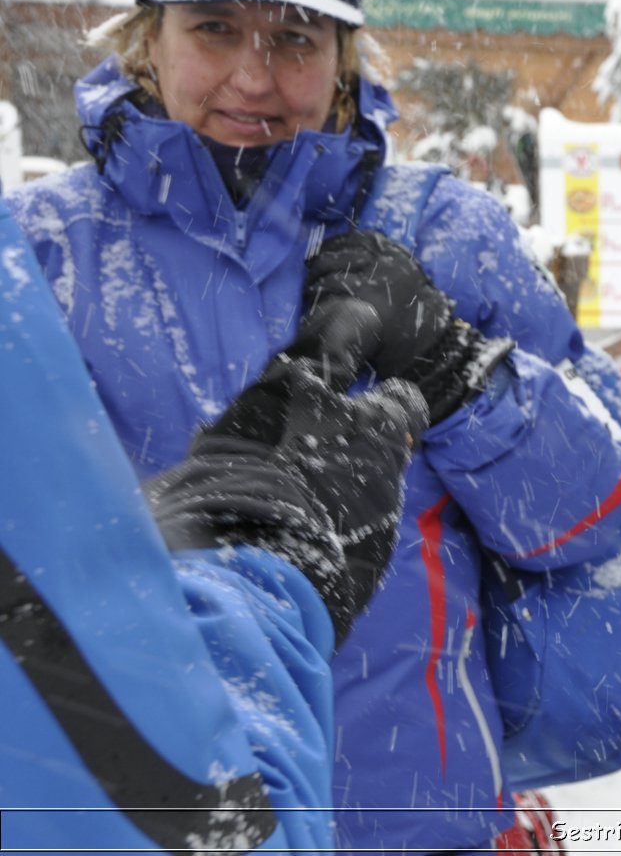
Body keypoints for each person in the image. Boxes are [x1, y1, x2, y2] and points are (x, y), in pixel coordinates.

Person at [4, 0, 621, 854]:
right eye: (215, 28)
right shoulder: (41, 258)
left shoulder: (447, 234)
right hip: (150, 816)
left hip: (411, 819)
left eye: (294, 39)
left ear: (345, 60)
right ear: (149, 41)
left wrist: (455, 371)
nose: (254, 79)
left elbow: (600, 509)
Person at [1, 189, 426, 852]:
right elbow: (189, 817)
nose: (254, 80)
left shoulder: (427, 215)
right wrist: (262, 552)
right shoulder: (43, 239)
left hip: (417, 801)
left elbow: (596, 524)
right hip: (285, 773)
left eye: (302, 71)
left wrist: (464, 375)